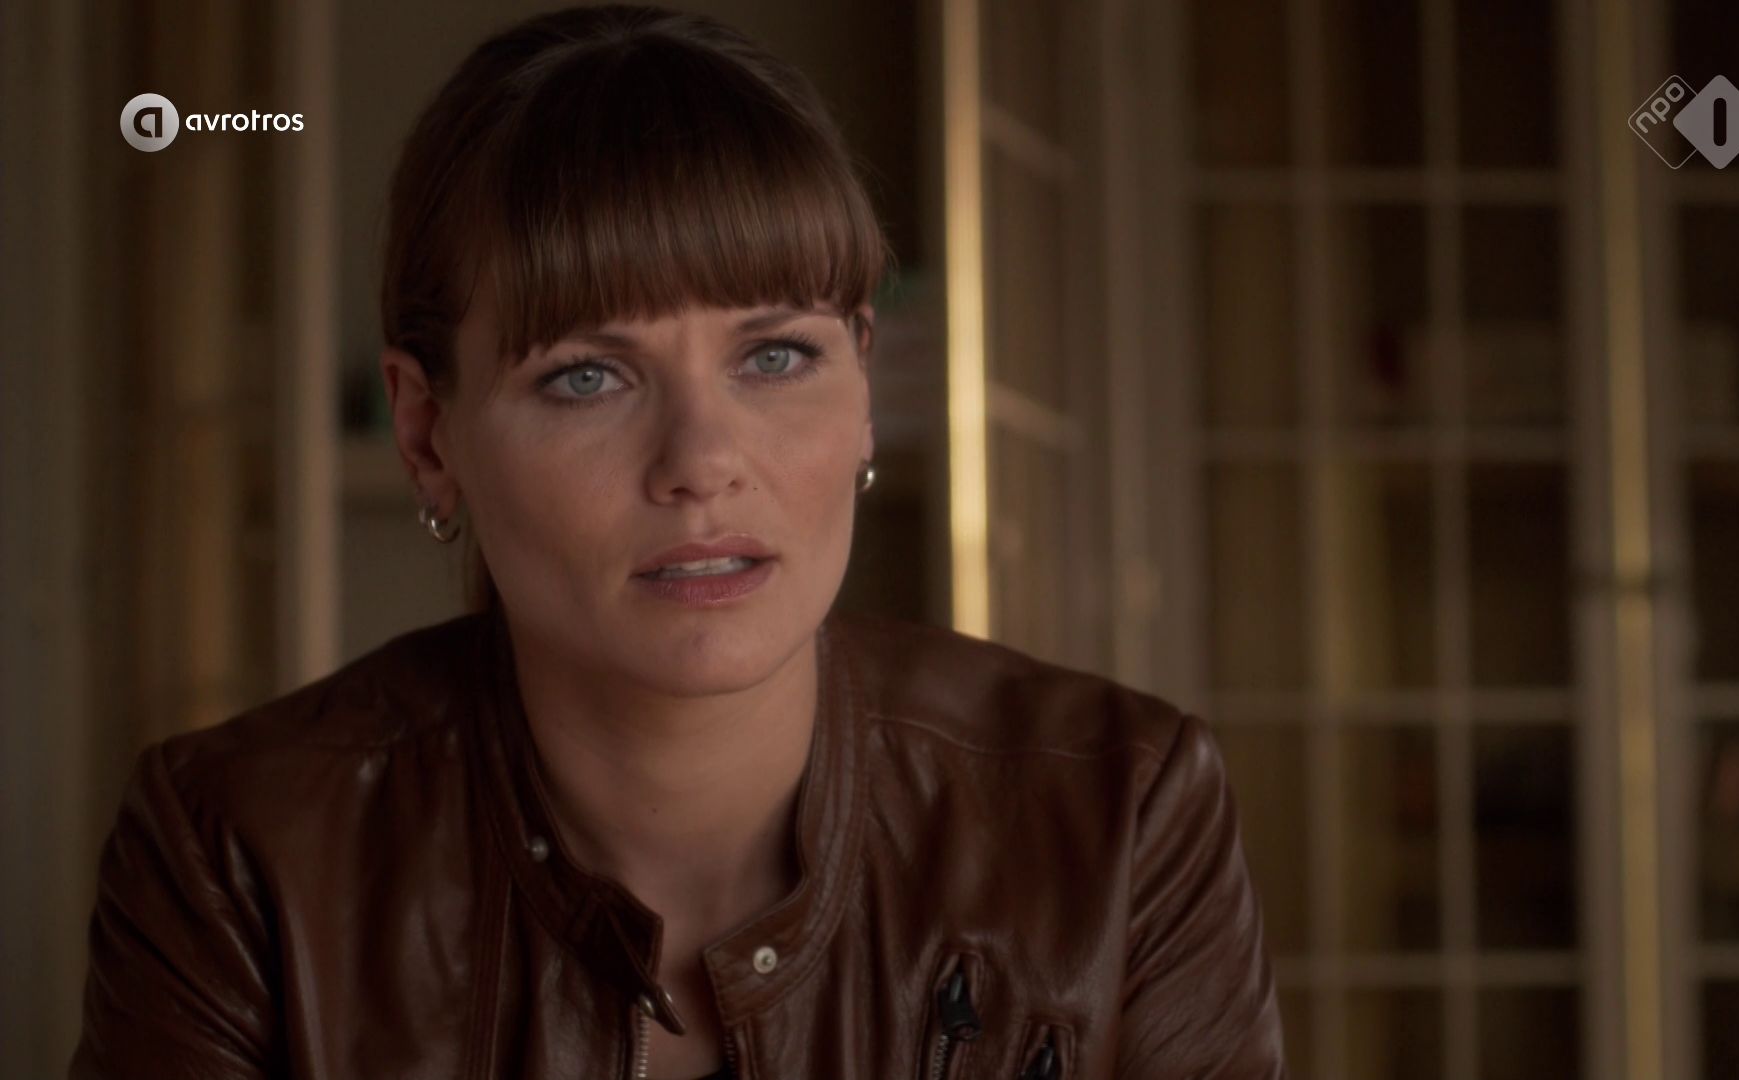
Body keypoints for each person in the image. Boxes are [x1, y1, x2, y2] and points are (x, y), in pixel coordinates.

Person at [67, 5, 1285, 1077]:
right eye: (587, 376)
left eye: (776, 356)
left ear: (863, 385)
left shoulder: (1118, 819)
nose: (701, 460)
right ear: (430, 433)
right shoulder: (238, 857)